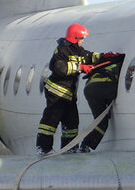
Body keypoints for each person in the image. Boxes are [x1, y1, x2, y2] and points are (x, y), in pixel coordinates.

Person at [36, 23, 118, 155]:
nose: (83, 41)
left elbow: (88, 56)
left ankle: (70, 148)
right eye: (81, 38)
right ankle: (43, 148)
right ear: (75, 38)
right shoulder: (61, 50)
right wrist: (81, 68)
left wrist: (104, 56)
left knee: (72, 122)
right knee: (51, 120)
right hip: (56, 91)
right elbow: (59, 68)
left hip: (69, 94)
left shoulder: (77, 50)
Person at [79, 53, 125, 152]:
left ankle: (85, 145)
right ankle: (86, 144)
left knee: (101, 120)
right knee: (102, 120)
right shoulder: (120, 64)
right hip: (103, 87)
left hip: (88, 89)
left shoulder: (106, 64)